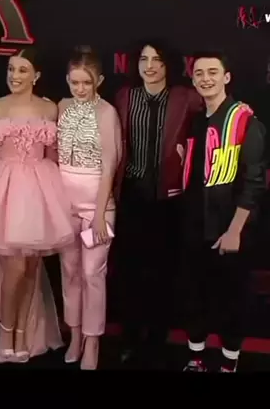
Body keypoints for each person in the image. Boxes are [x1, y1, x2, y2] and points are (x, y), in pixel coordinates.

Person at [0, 47, 74, 364]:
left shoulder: (49, 108)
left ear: (36, 76)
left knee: (30, 266)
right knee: (15, 266)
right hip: (5, 187)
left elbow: (53, 154)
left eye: (22, 70)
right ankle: (6, 332)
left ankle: (21, 334)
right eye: (11, 69)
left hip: (40, 188)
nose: (15, 76)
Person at [111, 38, 203, 367]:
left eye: (157, 60)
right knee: (130, 271)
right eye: (144, 59)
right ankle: (130, 337)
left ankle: (156, 339)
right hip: (132, 195)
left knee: (163, 273)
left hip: (168, 201)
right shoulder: (125, 96)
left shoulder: (185, 97)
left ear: (168, 65)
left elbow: (214, 117)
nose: (149, 66)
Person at [180, 51, 266, 373]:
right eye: (200, 73)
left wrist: (234, 231)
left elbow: (254, 183)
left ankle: (229, 363)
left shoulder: (246, 122)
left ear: (226, 77)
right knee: (195, 296)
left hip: (230, 229)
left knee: (231, 300)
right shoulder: (195, 121)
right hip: (195, 226)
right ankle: (196, 358)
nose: (206, 78)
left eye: (213, 72)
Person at [57, 46, 122, 370]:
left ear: (99, 81)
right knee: (69, 272)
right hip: (64, 205)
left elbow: (110, 165)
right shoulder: (62, 107)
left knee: (92, 274)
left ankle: (93, 341)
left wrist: (98, 214)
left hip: (98, 207)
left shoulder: (107, 112)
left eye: (87, 82)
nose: (80, 89)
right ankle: (75, 335)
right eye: (75, 82)